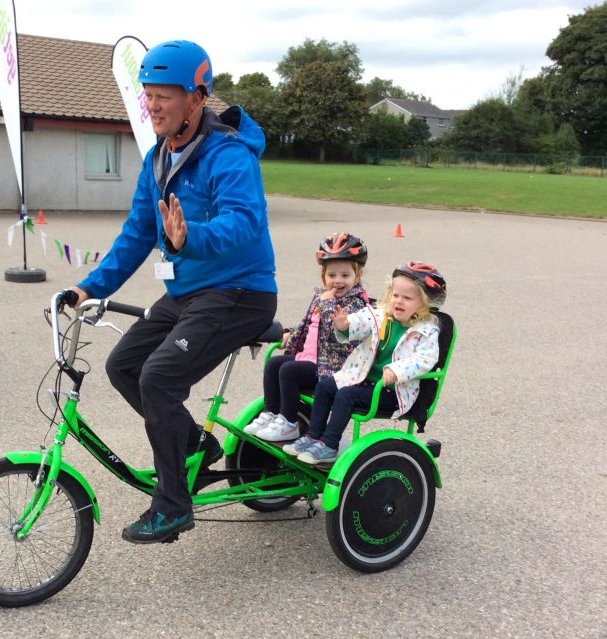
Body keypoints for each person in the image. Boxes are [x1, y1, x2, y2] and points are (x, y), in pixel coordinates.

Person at [63, 40, 277, 544]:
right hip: (187, 293)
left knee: (158, 378)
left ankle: (173, 504)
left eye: (164, 96)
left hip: (239, 292)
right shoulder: (158, 158)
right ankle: (197, 445)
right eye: (148, 95)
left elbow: (244, 222)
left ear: (196, 98)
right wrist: (87, 287)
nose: (152, 106)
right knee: (123, 366)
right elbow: (137, 234)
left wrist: (190, 238)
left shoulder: (229, 154)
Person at [289, 262, 447, 465]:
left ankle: (329, 445)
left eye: (407, 298)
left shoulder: (426, 331)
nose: (399, 301)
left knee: (346, 395)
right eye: (395, 295)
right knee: (325, 386)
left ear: (424, 305)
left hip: (393, 392)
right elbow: (361, 321)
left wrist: (396, 370)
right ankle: (313, 436)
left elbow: (424, 359)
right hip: (362, 379)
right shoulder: (381, 316)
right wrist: (345, 325)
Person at [244, 233, 371, 444]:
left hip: (332, 368)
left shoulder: (356, 304)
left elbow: (335, 334)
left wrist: (327, 303)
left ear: (357, 276)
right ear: (323, 276)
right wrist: (290, 334)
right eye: (331, 275)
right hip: (310, 358)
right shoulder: (321, 297)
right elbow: (309, 326)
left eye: (345, 275)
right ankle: (271, 413)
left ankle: (289, 423)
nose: (338, 281)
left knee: (289, 370)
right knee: (274, 364)